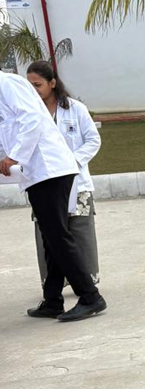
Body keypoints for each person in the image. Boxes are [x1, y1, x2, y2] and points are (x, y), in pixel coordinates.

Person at [0, 70, 107, 322]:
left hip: (49, 170)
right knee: (51, 237)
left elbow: (32, 119)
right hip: (37, 174)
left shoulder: (8, 84)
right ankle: (52, 300)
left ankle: (90, 297)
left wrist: (14, 156)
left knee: (57, 235)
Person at [27, 60, 101, 287]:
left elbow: (93, 140)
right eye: (30, 86)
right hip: (43, 182)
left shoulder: (75, 109)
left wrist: (72, 162)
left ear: (52, 83)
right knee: (47, 234)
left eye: (38, 85)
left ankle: (87, 281)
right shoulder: (28, 113)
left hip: (76, 182)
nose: (34, 90)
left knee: (80, 231)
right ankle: (53, 284)